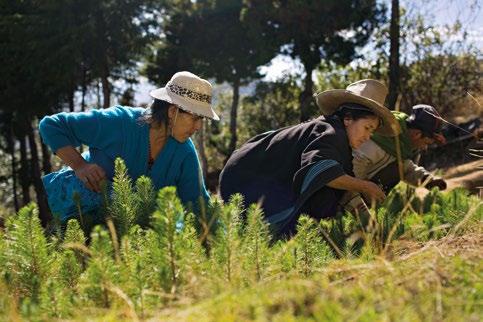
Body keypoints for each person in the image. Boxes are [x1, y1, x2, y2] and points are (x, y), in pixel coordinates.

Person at [219, 79, 400, 238]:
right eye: (367, 128)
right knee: (322, 195)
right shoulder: (331, 133)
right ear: (348, 118)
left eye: (372, 132)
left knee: (331, 193)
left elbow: (347, 189)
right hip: (244, 178)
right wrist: (366, 186)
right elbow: (324, 172)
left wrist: (371, 225)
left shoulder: (337, 140)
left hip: (243, 174)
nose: (368, 137)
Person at [39, 71, 219, 223]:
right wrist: (80, 166)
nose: (198, 127)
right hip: (79, 216)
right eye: (195, 118)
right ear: (173, 111)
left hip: (131, 233)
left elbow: (198, 203)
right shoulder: (119, 122)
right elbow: (52, 125)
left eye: (201, 120)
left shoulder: (184, 152)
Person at [353, 104, 448, 194]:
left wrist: (428, 180)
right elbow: (352, 173)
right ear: (417, 134)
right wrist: (360, 201)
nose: (424, 148)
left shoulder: (401, 145)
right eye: (426, 143)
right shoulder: (374, 143)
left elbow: (406, 169)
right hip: (348, 195)